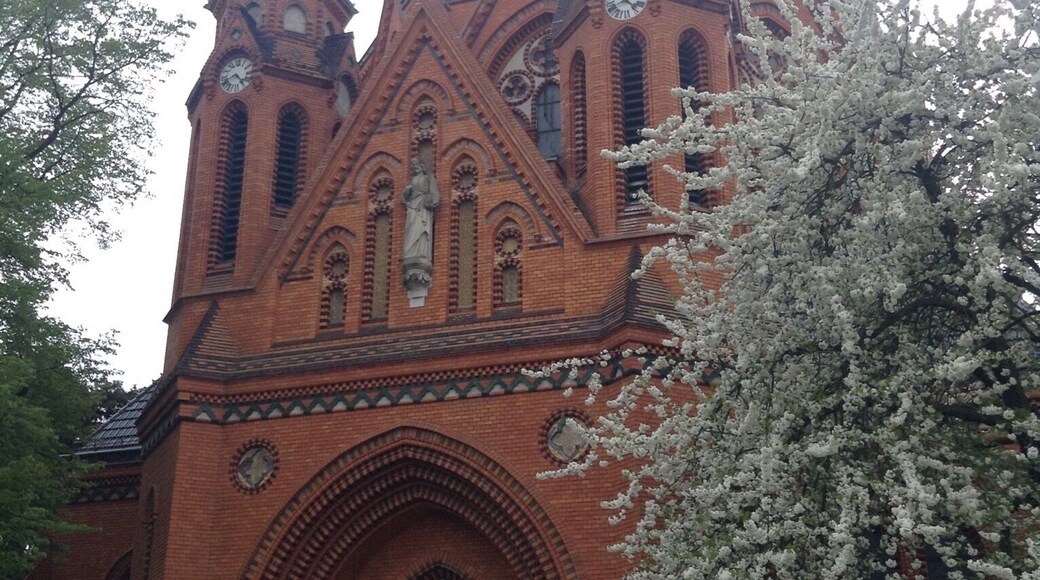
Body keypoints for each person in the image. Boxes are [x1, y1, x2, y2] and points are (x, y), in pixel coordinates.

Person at [401, 157, 440, 261]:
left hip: (423, 205)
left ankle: (422, 252)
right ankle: (411, 253)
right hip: (412, 206)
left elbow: (433, 191)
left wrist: (434, 201)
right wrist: (407, 191)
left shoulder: (428, 178)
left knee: (422, 227)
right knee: (411, 227)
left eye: (417, 164)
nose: (415, 167)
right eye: (413, 165)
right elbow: (404, 197)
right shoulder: (411, 181)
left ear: (422, 166)